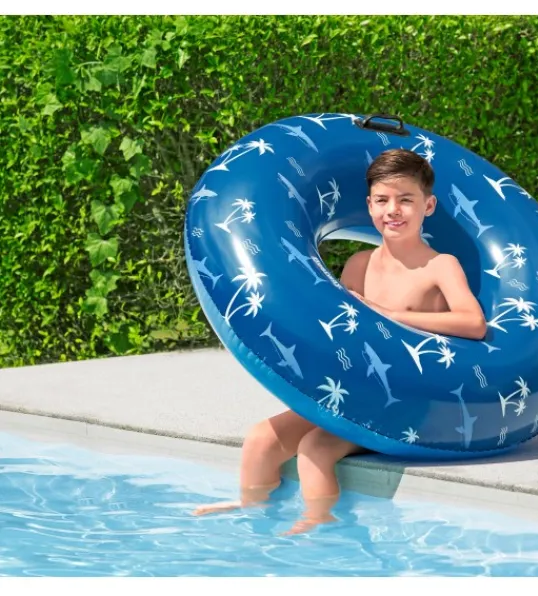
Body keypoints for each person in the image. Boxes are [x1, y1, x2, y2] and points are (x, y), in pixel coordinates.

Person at [192, 149, 487, 532]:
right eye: (382, 200)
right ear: (369, 206)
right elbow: (341, 337)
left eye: (405, 200)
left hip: (404, 399)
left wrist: (390, 315)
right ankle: (253, 510)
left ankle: (319, 524)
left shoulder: (439, 265)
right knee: (261, 437)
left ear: (427, 206)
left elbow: (473, 323)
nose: (393, 210)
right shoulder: (359, 264)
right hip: (354, 392)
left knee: (315, 447)